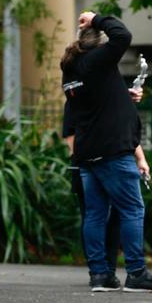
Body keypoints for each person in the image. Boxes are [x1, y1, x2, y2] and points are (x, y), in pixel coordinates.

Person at [60, 11, 152, 292]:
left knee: (96, 214)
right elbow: (123, 35)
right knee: (133, 209)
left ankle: (100, 276)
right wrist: (96, 17)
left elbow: (97, 100)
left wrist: (124, 95)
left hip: (88, 155)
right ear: (99, 46)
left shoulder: (71, 69)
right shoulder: (98, 59)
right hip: (112, 152)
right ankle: (136, 273)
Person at [62, 86, 142, 290]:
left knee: (105, 217)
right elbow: (70, 135)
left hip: (90, 160)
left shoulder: (101, 97)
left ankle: (104, 272)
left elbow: (124, 129)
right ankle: (103, 272)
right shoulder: (77, 99)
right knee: (102, 214)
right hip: (93, 161)